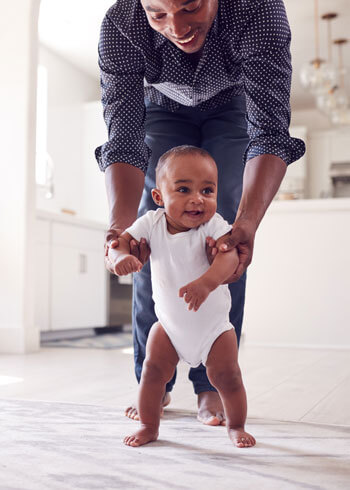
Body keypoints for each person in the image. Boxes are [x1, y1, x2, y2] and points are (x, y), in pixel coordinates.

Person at [96, 0, 305, 425]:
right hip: (160, 107)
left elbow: (268, 130)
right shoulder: (121, 24)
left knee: (223, 230)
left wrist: (246, 224)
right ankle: (153, 379)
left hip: (233, 105)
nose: (176, 27)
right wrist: (120, 230)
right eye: (158, 14)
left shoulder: (257, 9)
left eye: (189, 7)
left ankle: (211, 384)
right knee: (147, 235)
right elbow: (123, 139)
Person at [110, 145, 256, 448]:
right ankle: (149, 426)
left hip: (213, 329)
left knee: (227, 376)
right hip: (170, 326)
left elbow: (228, 259)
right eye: (184, 189)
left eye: (207, 190)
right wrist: (120, 255)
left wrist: (206, 283)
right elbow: (121, 241)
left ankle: (236, 426)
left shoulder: (215, 226)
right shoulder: (151, 223)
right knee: (152, 372)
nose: (197, 199)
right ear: (160, 197)